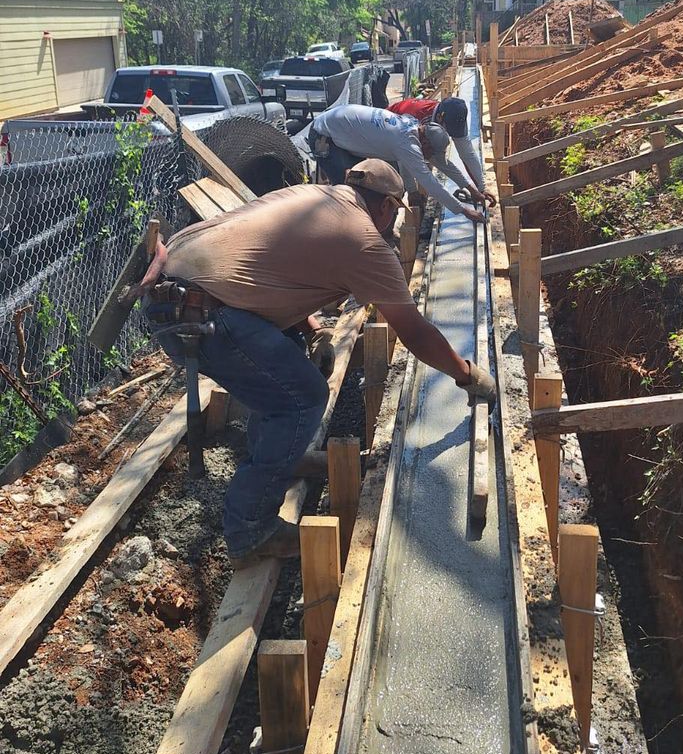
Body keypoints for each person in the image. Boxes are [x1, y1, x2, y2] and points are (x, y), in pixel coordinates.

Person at [142, 159, 495, 567]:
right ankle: (249, 529)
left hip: (169, 294)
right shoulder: (364, 240)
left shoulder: (313, 195)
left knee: (280, 376)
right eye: (394, 213)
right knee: (301, 399)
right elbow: (413, 331)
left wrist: (311, 329)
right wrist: (467, 376)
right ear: (386, 207)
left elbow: (267, 263)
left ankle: (280, 456)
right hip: (202, 318)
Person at [308, 103, 490, 221]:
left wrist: (473, 190)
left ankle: (374, 234)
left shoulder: (414, 127)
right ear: (425, 143)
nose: (430, 158)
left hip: (344, 132)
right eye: (430, 153)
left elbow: (443, 164)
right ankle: (345, 241)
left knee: (365, 187)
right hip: (326, 137)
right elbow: (431, 183)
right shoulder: (405, 143)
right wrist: (465, 211)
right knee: (348, 192)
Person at [387, 95, 494, 206]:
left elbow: (467, 154)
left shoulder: (456, 117)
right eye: (448, 130)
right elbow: (405, 160)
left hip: (406, 141)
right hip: (386, 138)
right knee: (391, 186)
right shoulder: (417, 119)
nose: (451, 133)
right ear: (439, 117)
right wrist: (412, 191)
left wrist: (481, 188)